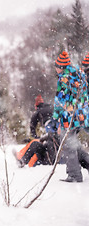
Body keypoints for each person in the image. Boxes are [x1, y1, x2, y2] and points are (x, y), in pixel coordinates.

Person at [52, 51, 89, 182]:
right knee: (74, 144)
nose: (55, 69)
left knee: (68, 145)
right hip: (82, 115)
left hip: (69, 117)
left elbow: (59, 102)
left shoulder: (64, 78)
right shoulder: (79, 72)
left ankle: (74, 175)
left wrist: (55, 118)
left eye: (56, 66)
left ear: (61, 67)